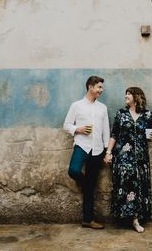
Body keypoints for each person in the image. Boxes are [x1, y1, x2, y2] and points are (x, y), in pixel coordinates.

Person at [104, 87, 152, 233]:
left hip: (140, 159)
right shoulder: (121, 114)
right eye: (125, 93)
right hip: (123, 157)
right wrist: (108, 152)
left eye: (129, 94)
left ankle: (136, 219)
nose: (126, 96)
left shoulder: (147, 114)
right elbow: (114, 134)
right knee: (127, 186)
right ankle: (129, 218)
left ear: (136, 96)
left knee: (139, 186)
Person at [63, 75, 110, 229]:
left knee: (91, 189)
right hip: (81, 146)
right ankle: (86, 185)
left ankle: (87, 220)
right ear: (91, 87)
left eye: (101, 87)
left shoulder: (102, 108)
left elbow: (106, 131)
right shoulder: (76, 106)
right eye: (99, 87)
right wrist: (78, 129)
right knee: (74, 170)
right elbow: (66, 125)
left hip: (97, 150)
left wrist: (106, 151)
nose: (101, 90)